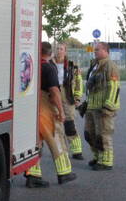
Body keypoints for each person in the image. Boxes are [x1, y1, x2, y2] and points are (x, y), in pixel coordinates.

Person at [26, 40, 77, 187]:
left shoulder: (31, 65)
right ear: (50, 53)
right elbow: (54, 92)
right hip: (45, 108)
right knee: (56, 138)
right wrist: (61, 112)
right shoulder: (48, 68)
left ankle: (33, 175)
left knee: (36, 142)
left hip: (31, 108)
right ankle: (64, 173)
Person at [84, 41, 120, 171]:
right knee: (90, 134)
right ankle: (97, 157)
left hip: (103, 108)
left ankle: (106, 162)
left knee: (103, 135)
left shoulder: (110, 65)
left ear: (106, 51)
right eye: (95, 50)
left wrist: (108, 106)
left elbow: (114, 87)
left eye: (97, 50)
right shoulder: (95, 65)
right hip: (92, 106)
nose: (95, 52)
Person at [53, 42, 85, 160]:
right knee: (57, 125)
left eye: (61, 49)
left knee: (69, 124)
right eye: (57, 49)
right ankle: (62, 150)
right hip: (54, 95)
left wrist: (77, 97)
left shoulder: (72, 66)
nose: (59, 51)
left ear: (65, 51)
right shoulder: (50, 63)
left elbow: (78, 82)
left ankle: (77, 151)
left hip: (68, 96)